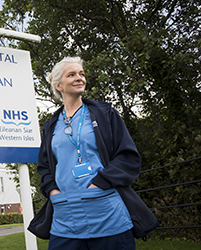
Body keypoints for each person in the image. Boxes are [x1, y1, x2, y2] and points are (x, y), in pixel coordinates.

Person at [37, 56, 141, 250]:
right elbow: (44, 167)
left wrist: (98, 185)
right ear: (58, 85)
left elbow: (127, 156)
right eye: (72, 74)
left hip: (106, 213)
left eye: (81, 74)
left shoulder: (105, 113)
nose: (79, 78)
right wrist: (53, 191)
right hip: (65, 216)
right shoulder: (50, 125)